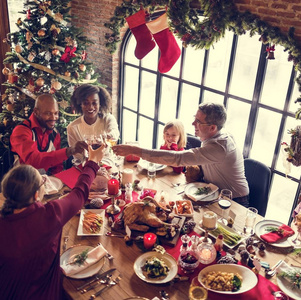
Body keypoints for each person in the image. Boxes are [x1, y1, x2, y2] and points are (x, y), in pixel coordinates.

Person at [0, 143, 105, 300]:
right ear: (36, 195)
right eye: (43, 182)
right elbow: (80, 193)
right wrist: (93, 162)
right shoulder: (49, 215)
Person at [113, 102, 249, 206]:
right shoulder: (212, 136)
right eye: (194, 119)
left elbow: (177, 158)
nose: (193, 123)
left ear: (213, 128)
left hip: (233, 200)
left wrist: (135, 150)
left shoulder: (219, 147)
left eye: (198, 122)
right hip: (211, 192)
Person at [10, 94, 87, 175]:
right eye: (48, 113)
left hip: (44, 182)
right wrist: (69, 151)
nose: (53, 117)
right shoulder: (21, 131)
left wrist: (56, 181)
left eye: (56, 113)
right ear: (36, 112)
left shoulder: (54, 133)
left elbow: (57, 166)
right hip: (20, 184)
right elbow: (33, 160)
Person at [67, 84, 120, 163]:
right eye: (86, 103)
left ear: (100, 104)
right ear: (80, 105)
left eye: (94, 103)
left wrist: (109, 136)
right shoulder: (72, 127)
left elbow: (115, 133)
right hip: (86, 167)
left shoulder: (108, 118)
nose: (91, 107)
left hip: (108, 163)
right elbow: (78, 158)